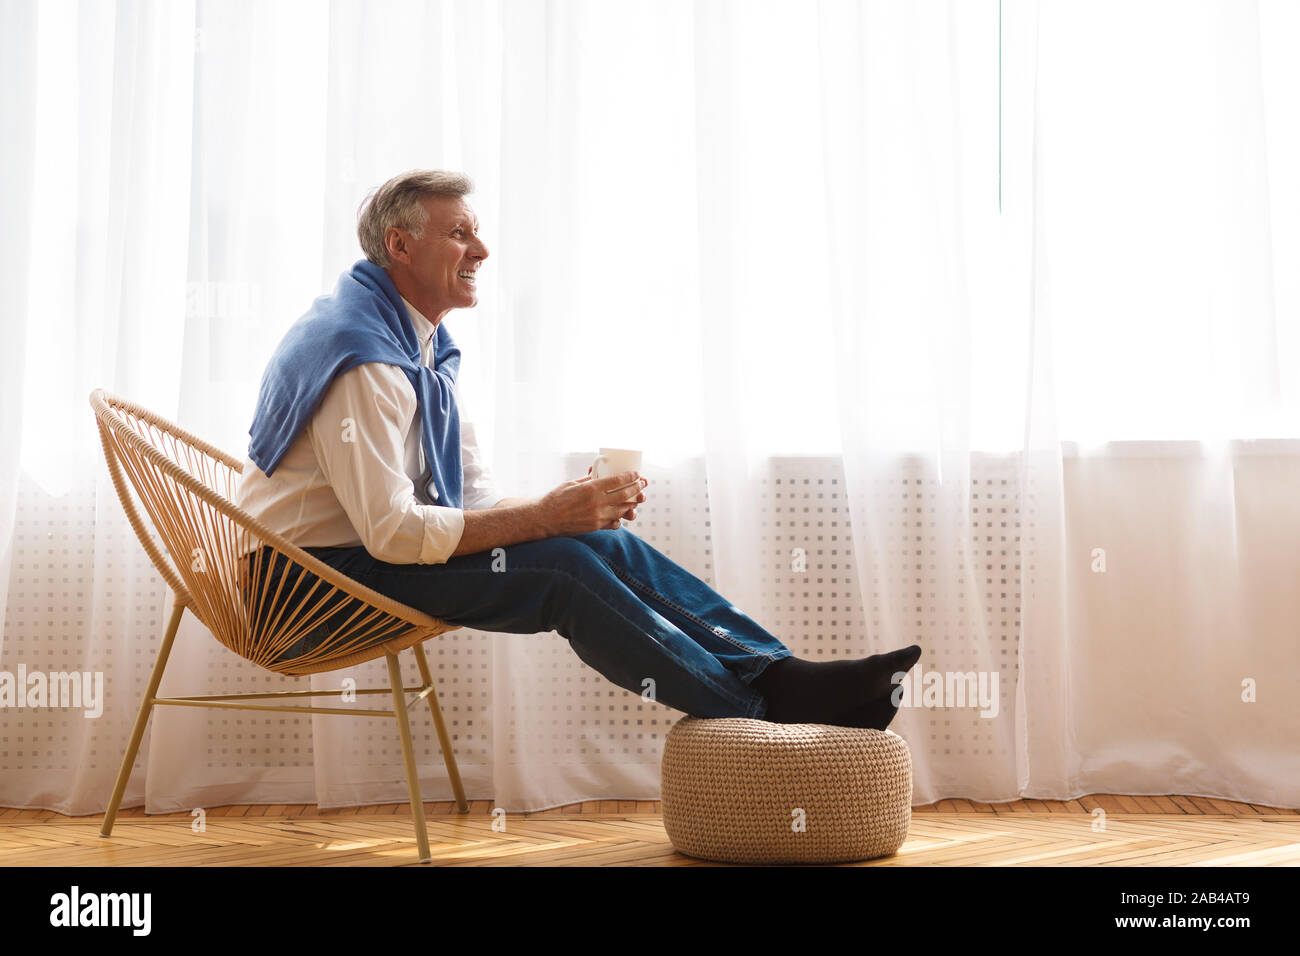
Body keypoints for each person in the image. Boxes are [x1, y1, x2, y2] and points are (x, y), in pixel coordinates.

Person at [234, 169, 920, 728]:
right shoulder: (366, 361)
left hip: (352, 557)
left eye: (478, 233)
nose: (482, 250)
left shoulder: (417, 344)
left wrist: (570, 507)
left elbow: (471, 497)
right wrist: (546, 520)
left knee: (598, 544)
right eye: (460, 234)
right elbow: (391, 533)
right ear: (401, 247)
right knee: (561, 568)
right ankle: (765, 710)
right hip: (305, 587)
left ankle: (777, 672)